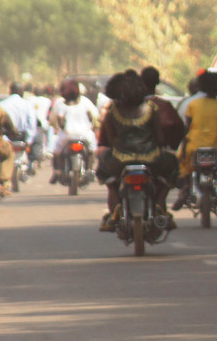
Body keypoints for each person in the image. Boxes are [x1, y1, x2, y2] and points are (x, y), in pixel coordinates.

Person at [95, 71, 179, 231]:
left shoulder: (113, 111)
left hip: (119, 161)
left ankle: (117, 206)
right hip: (152, 159)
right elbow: (160, 139)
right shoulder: (151, 108)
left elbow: (111, 141)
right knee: (173, 165)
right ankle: (161, 204)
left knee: (105, 173)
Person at [173, 69, 217, 210]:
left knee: (183, 160)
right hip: (216, 145)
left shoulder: (193, 104)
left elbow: (188, 125)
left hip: (194, 144)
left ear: (200, 86)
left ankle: (186, 187)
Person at [48, 79, 99, 184]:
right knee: (92, 149)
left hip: (66, 135)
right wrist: (93, 125)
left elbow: (54, 120)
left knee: (56, 151)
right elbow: (95, 116)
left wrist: (57, 127)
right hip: (85, 134)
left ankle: (58, 171)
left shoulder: (60, 104)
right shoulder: (85, 102)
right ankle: (90, 170)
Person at [140, 66, 184, 151]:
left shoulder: (131, 105)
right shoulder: (165, 106)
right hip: (159, 154)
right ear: (157, 82)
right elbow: (178, 128)